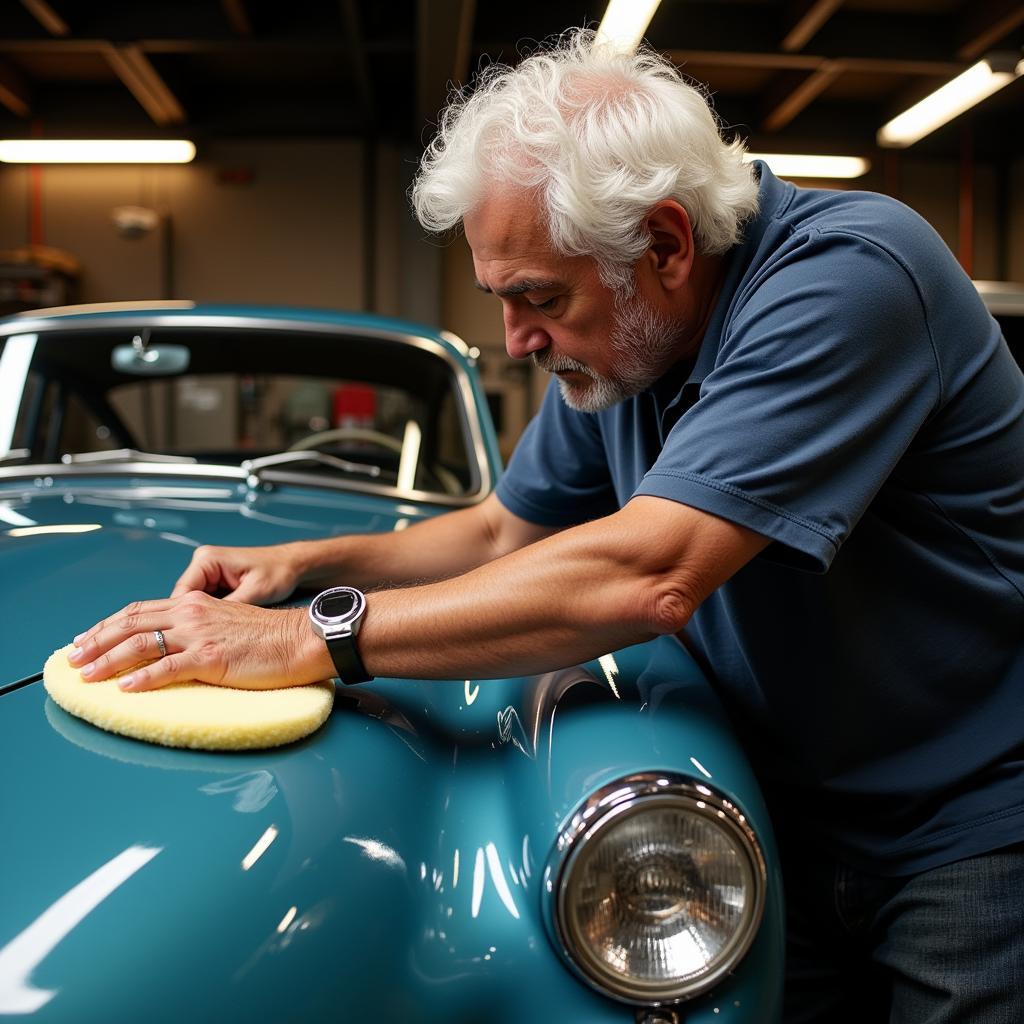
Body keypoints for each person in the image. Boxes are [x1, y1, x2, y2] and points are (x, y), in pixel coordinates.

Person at [70, 29, 1024, 1022]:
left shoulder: (851, 278)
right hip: (788, 813)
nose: (516, 341)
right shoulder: (625, 349)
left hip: (966, 832)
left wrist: (313, 638)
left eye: (538, 299)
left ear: (664, 243)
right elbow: (497, 535)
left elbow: (650, 573)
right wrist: (302, 565)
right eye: (501, 299)